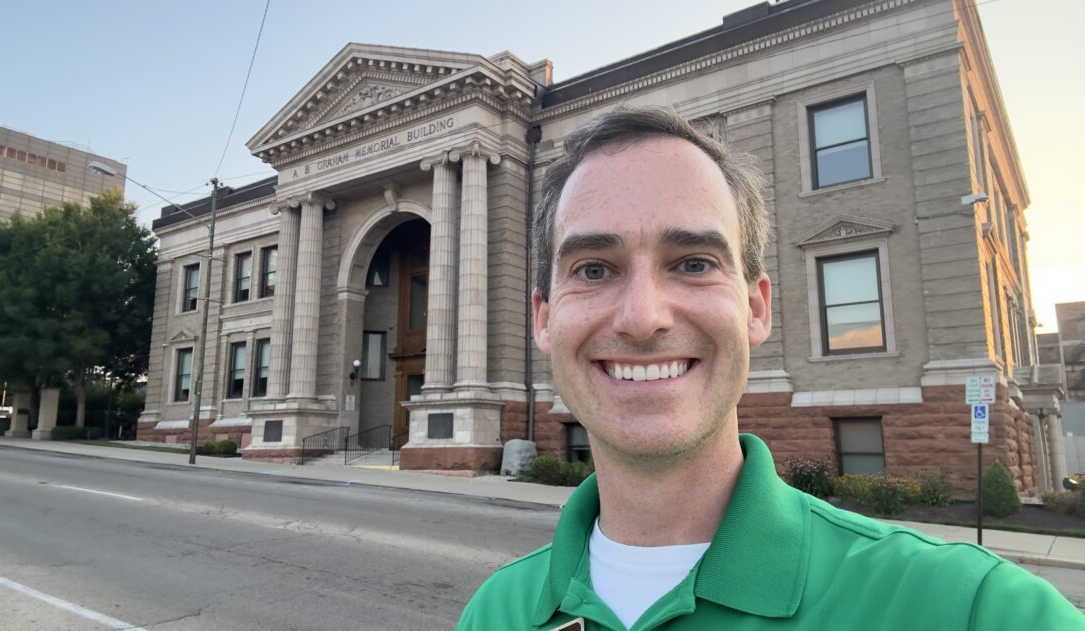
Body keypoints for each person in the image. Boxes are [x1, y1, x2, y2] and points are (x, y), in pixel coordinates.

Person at [457, 106, 1083, 630]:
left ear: (756, 309)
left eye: (694, 262)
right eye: (594, 269)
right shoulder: (494, 614)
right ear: (543, 318)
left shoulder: (972, 610)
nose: (642, 317)